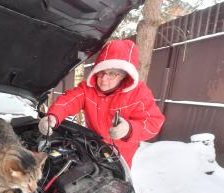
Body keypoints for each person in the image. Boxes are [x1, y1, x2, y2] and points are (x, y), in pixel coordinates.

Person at [38, 39, 165, 167]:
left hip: (120, 158)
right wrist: (53, 116)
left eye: (112, 74)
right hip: (92, 148)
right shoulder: (87, 89)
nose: (104, 79)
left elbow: (153, 123)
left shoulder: (139, 94)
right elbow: (69, 100)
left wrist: (129, 129)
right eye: (101, 73)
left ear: (124, 75)